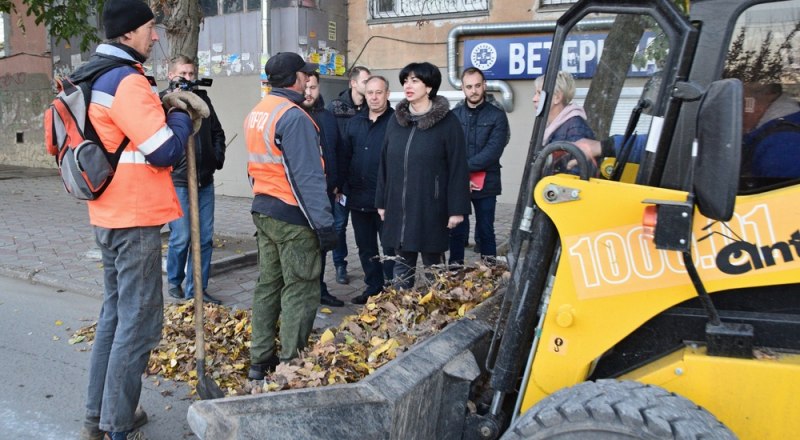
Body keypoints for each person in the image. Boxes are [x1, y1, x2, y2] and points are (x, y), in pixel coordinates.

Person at [76, 0, 202, 439]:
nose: (155, 35)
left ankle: (98, 416)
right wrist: (182, 115)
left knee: (114, 314)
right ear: (129, 33)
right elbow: (165, 150)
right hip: (134, 218)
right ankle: (117, 423)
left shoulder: (89, 75)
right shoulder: (125, 81)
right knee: (139, 321)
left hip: (107, 213)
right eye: (151, 28)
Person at [245, 52, 336, 380]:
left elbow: (254, 168)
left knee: (268, 284)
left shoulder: (259, 111)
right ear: (295, 78)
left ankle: (260, 361)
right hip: (293, 217)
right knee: (301, 286)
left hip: (264, 210)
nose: (307, 80)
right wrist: (324, 225)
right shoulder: (294, 117)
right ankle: (289, 365)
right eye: (304, 74)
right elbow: (308, 179)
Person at [376, 61, 470, 289]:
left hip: (431, 206)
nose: (408, 85)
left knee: (433, 268)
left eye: (415, 80)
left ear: (429, 87)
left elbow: (458, 167)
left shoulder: (448, 122)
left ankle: (436, 315)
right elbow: (384, 163)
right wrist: (381, 201)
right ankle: (399, 314)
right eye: (406, 80)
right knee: (401, 265)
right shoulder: (396, 121)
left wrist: (457, 209)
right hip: (399, 206)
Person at [163, 55, 226, 306]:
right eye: (183, 74)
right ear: (171, 75)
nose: (188, 79)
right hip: (178, 181)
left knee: (205, 237)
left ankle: (197, 288)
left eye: (191, 74)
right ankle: (175, 280)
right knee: (182, 237)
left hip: (204, 181)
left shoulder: (204, 100)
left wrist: (216, 158)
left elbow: (217, 132)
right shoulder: (164, 103)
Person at [341, 75, 397, 304]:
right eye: (370, 92)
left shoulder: (397, 123)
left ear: (387, 94)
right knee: (365, 247)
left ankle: (393, 289)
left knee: (391, 247)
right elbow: (345, 157)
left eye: (379, 92)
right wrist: (344, 187)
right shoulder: (354, 123)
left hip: (386, 199)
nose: (374, 97)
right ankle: (373, 287)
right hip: (359, 197)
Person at [448, 67, 510, 265]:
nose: (473, 90)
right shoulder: (453, 116)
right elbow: (447, 150)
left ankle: (490, 272)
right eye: (469, 86)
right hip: (458, 184)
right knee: (457, 231)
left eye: (477, 86)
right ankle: (454, 273)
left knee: (486, 231)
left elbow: (494, 151)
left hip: (487, 182)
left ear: (484, 86)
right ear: (462, 89)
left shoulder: (497, 115)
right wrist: (459, 175)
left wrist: (461, 169)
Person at [302, 71, 345, 307]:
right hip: (301, 196)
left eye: (314, 87)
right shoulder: (294, 115)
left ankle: (319, 288)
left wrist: (337, 183)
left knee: (322, 244)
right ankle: (304, 291)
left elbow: (336, 151)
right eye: (305, 87)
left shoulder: (328, 118)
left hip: (327, 193)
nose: (309, 92)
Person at [326, 66, 372, 285]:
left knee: (367, 227)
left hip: (365, 181)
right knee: (339, 225)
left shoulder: (372, 108)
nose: (369, 85)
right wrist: (335, 181)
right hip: (343, 180)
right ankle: (340, 265)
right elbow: (330, 145)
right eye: (365, 81)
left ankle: (372, 267)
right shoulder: (335, 108)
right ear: (353, 83)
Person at [533, 71, 595, 145]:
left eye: (540, 93)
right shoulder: (555, 127)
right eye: (535, 93)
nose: (534, 99)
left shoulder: (575, 130)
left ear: (557, 97)